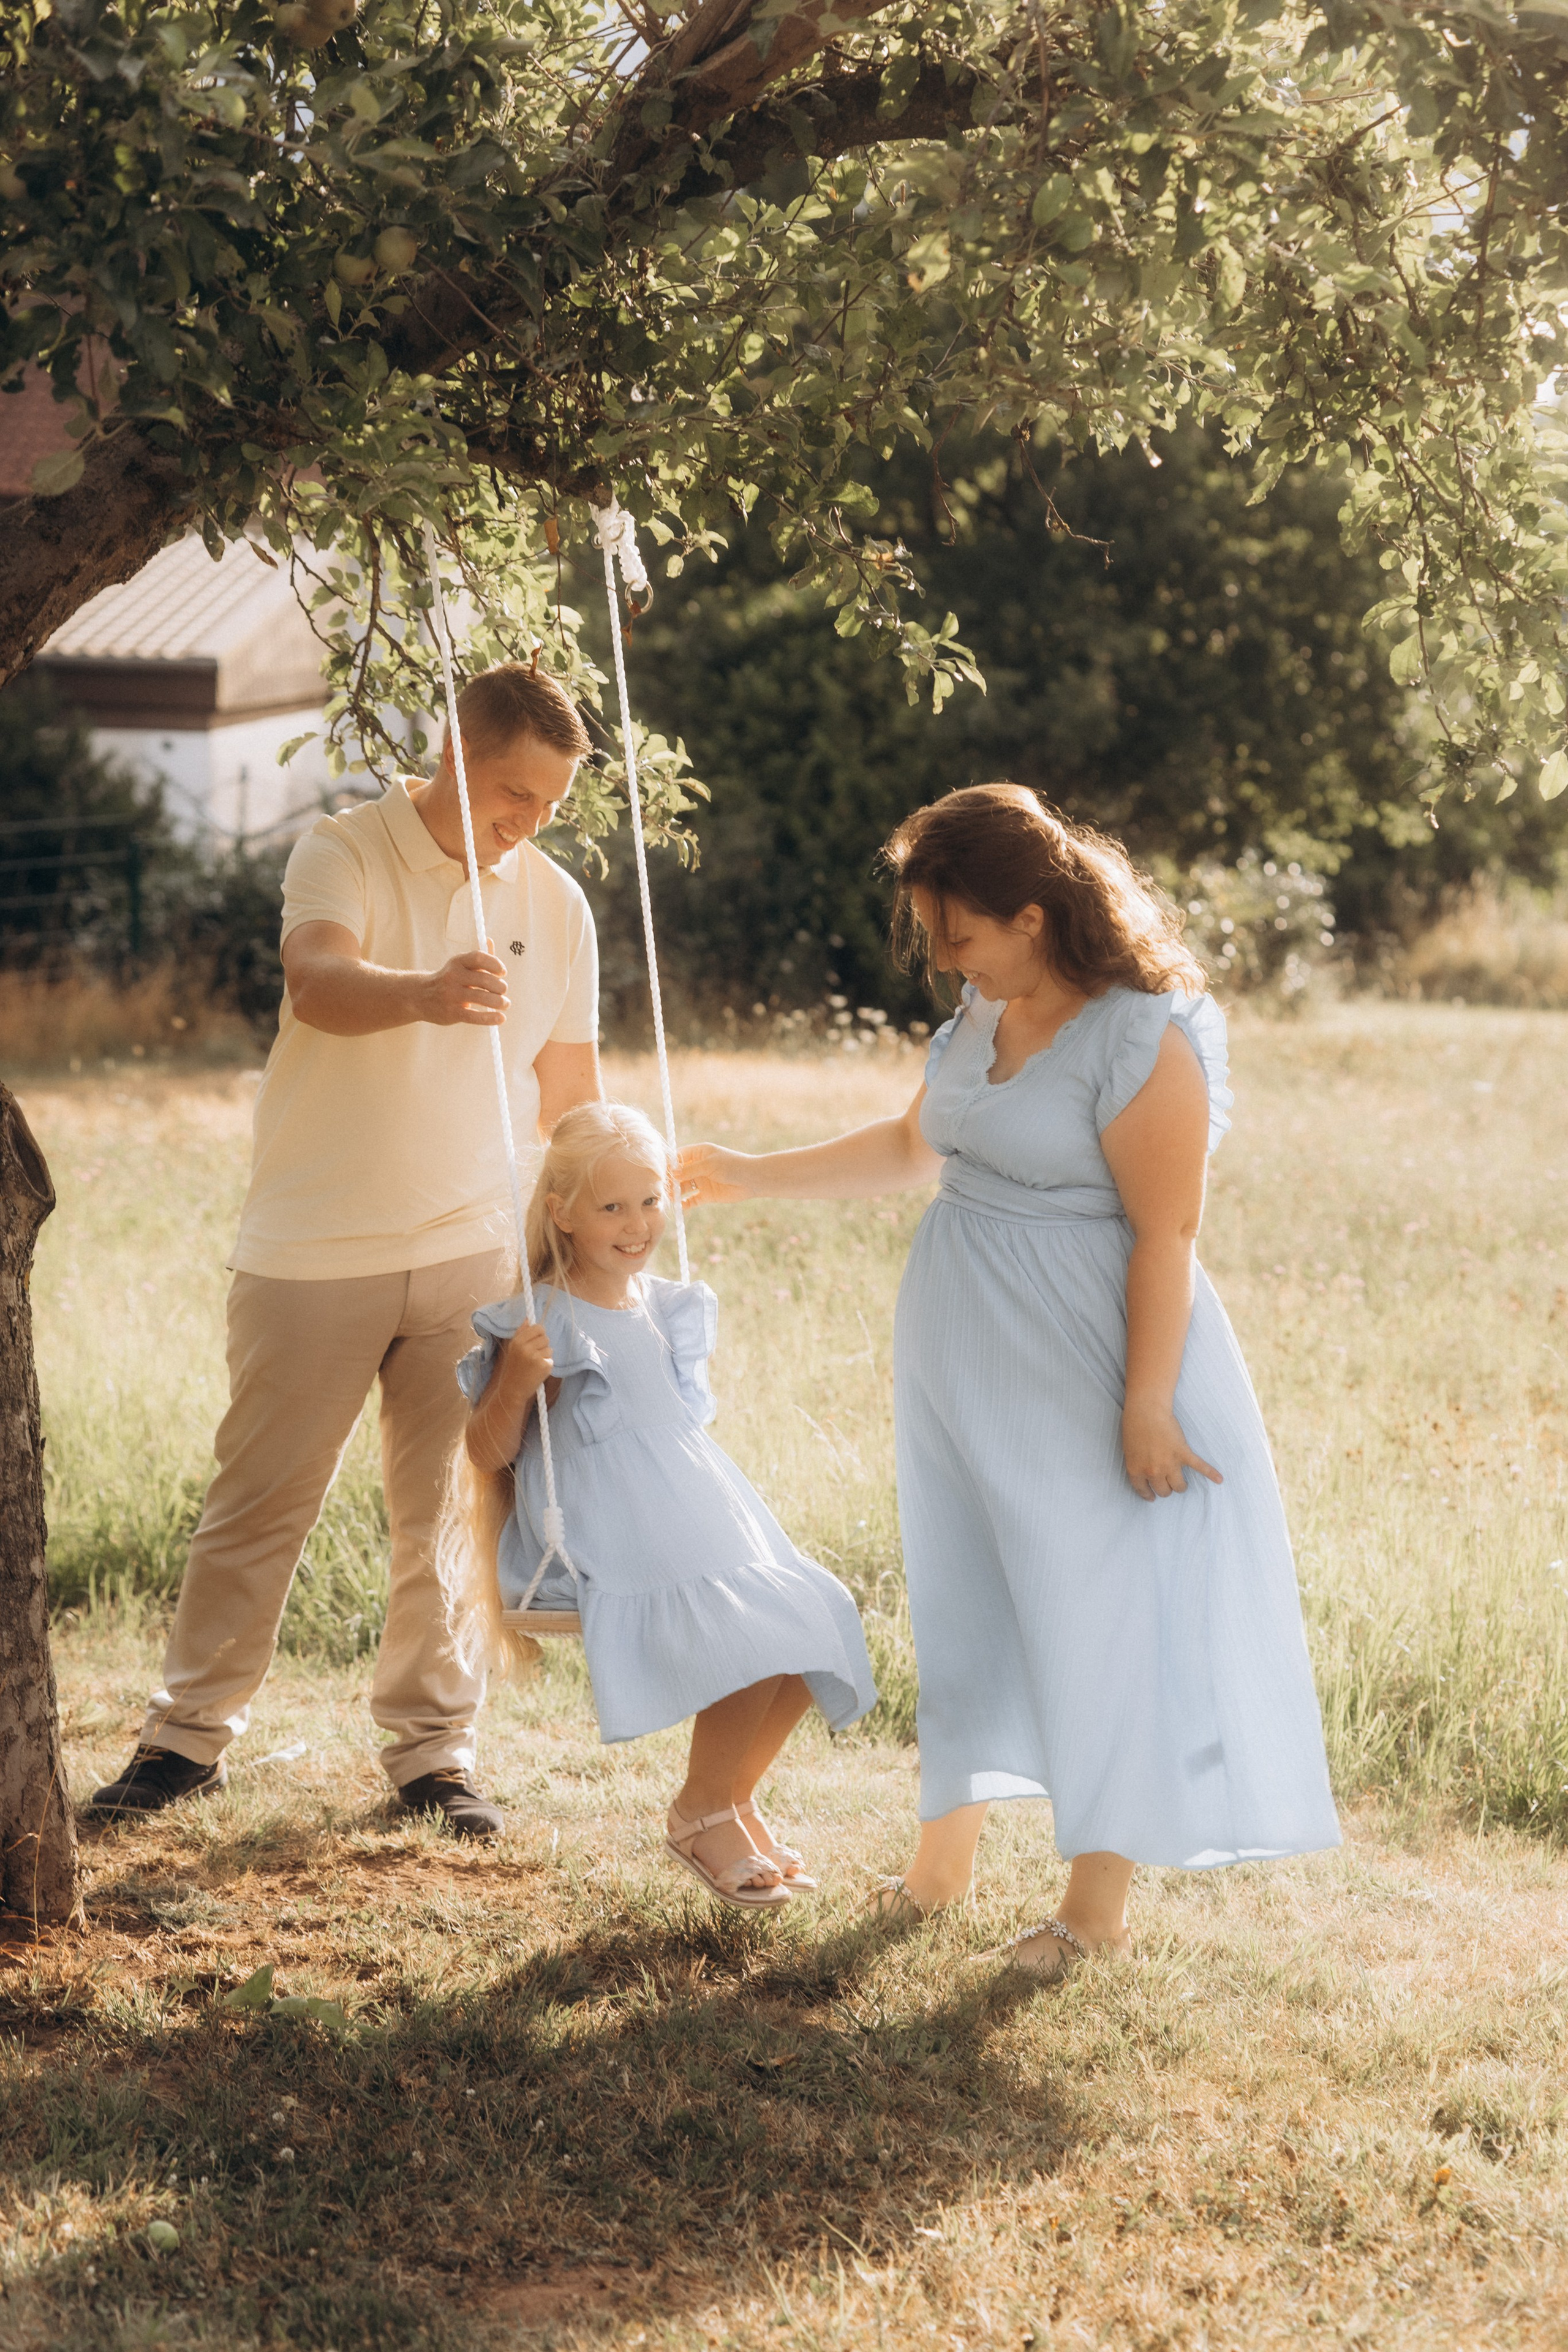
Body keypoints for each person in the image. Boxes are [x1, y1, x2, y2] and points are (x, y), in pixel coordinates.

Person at [680, 784, 1340, 1970]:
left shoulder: (1143, 1033)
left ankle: (1091, 1909)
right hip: (960, 1355)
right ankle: (939, 1866)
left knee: (1096, 1615)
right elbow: (907, 1145)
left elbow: (1164, 1236)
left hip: (1088, 1356)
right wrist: (744, 1173)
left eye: (958, 935)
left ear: (1033, 916)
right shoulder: (978, 1020)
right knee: (965, 1593)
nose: (941, 961)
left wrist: (1144, 1402)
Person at [91, 664, 603, 1838]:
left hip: (472, 1250)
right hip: (314, 1245)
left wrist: (587, 1230)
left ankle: (434, 1753)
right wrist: (426, 992)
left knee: (447, 1508)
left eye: (552, 807)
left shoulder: (558, 903)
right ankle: (185, 1740)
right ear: (453, 753)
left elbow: (568, 1088)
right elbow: (318, 981)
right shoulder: (344, 847)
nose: (528, 825)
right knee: (261, 1501)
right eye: (513, 796)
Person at [448, 1100, 876, 1904]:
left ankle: (729, 1800)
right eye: (612, 1206)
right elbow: (487, 1450)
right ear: (563, 1214)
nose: (637, 1222)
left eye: (650, 1200)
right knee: (755, 1626)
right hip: (610, 1527)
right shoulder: (541, 1318)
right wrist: (511, 1383)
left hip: (690, 1505)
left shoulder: (666, 1307)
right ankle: (702, 1808)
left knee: (818, 1609)